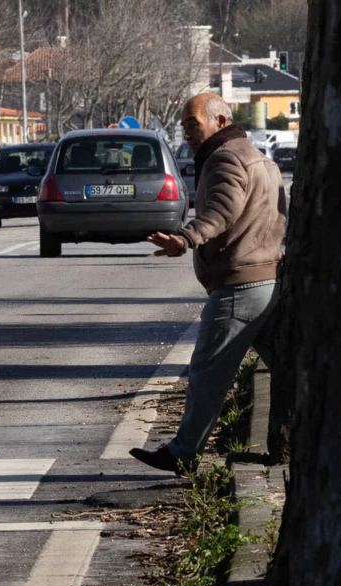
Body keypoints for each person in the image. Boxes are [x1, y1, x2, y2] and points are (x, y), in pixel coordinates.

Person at [130, 93, 287, 475]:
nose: (187, 134)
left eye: (192, 125)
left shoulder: (225, 158)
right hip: (270, 281)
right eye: (184, 126)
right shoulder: (259, 158)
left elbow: (222, 209)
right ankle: (284, 445)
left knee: (206, 374)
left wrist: (185, 238)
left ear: (219, 121)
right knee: (289, 368)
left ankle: (182, 453)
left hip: (239, 288)